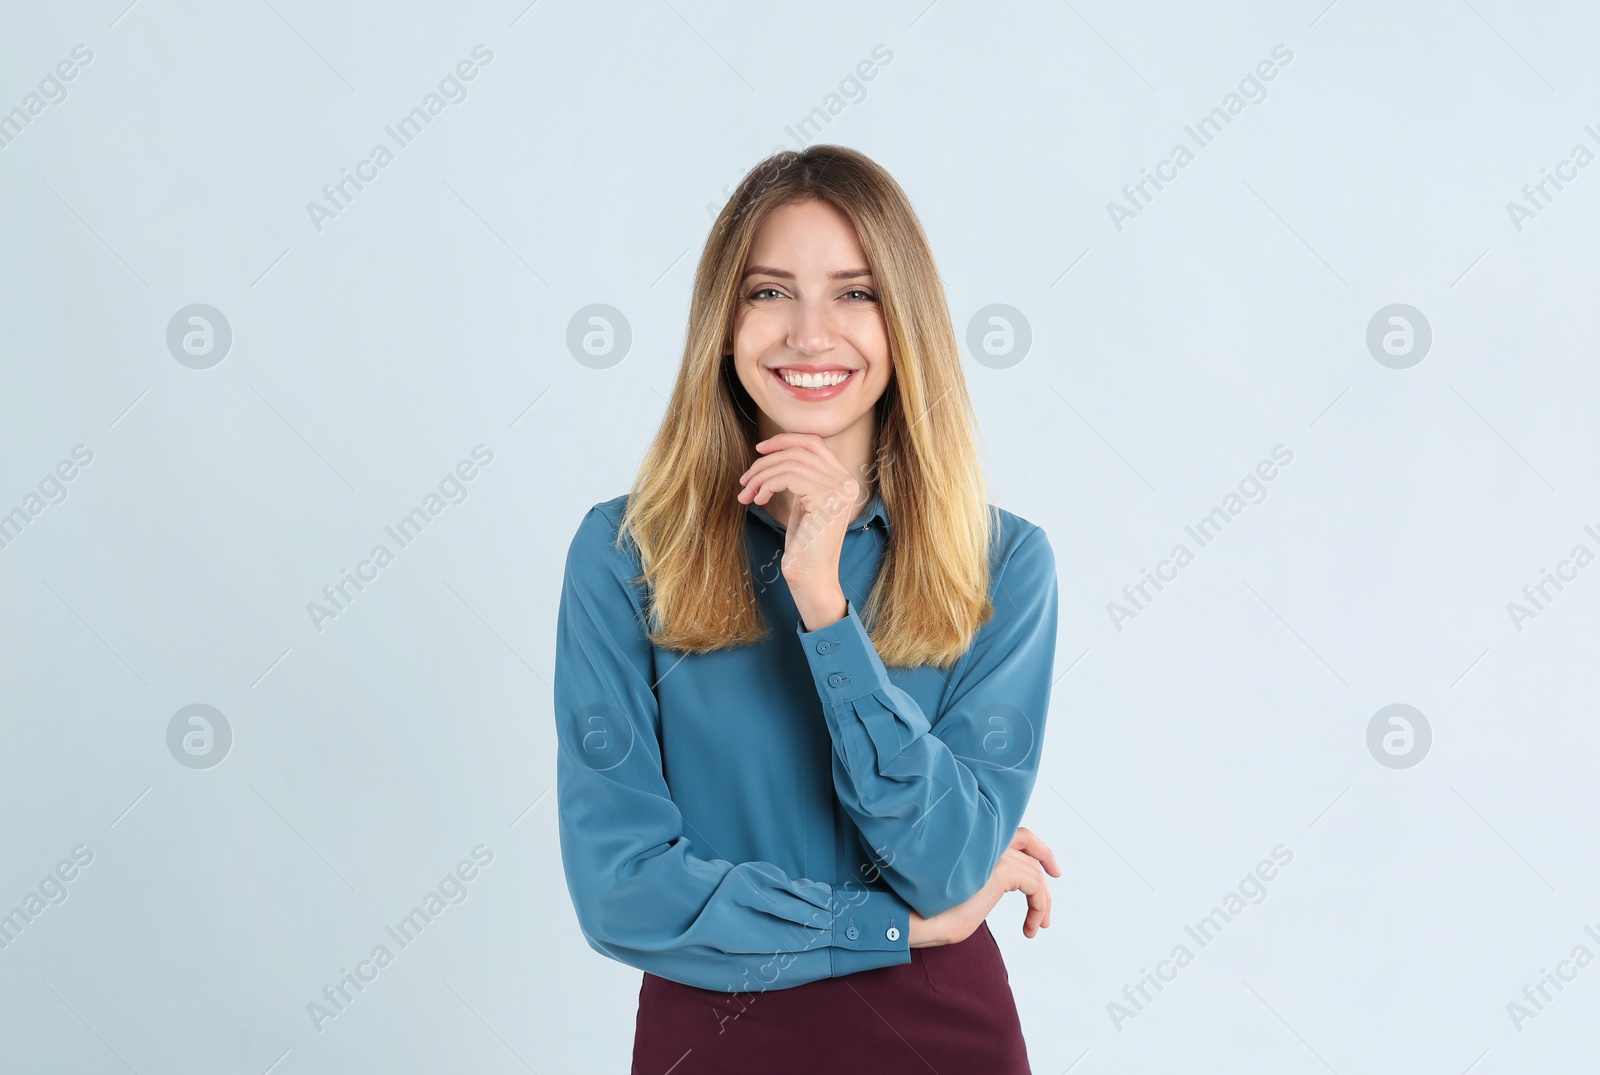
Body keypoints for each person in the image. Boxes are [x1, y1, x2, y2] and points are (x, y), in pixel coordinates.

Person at [553, 144, 1062, 1073]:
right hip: (710, 1044)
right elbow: (619, 888)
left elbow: (946, 863)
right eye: (769, 291)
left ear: (905, 322)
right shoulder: (624, 555)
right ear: (724, 320)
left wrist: (824, 604)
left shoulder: (1005, 565)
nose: (809, 334)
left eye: (856, 293)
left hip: (942, 1038)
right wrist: (897, 926)